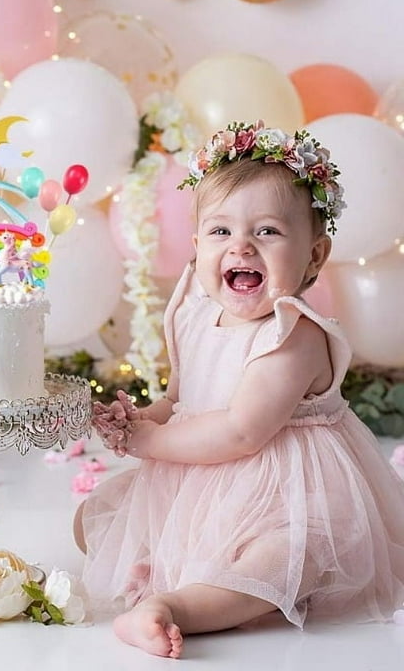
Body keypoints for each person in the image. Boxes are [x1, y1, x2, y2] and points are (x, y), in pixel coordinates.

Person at [76, 121, 404, 659]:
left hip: (286, 495)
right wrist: (141, 419)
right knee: (96, 522)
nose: (242, 246)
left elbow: (241, 430)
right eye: (221, 232)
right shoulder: (194, 311)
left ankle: (177, 608)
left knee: (293, 556)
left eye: (269, 232)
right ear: (199, 242)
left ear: (315, 257)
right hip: (201, 490)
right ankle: (181, 569)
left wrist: (148, 443)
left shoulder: (292, 334)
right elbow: (183, 397)